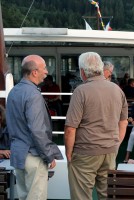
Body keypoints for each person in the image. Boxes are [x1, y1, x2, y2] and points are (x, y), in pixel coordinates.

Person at [64, 52, 128, 199]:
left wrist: (69, 153)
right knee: (107, 194)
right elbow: (123, 122)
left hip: (85, 151)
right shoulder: (117, 90)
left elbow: (70, 128)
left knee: (82, 195)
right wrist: (116, 143)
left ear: (82, 71)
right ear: (100, 67)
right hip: (110, 151)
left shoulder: (80, 91)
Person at [6, 55, 63, 200]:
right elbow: (37, 130)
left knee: (24, 196)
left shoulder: (14, 92)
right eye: (44, 68)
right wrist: (49, 155)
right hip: (33, 156)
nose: (46, 72)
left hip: (18, 154)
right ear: (34, 72)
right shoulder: (33, 94)